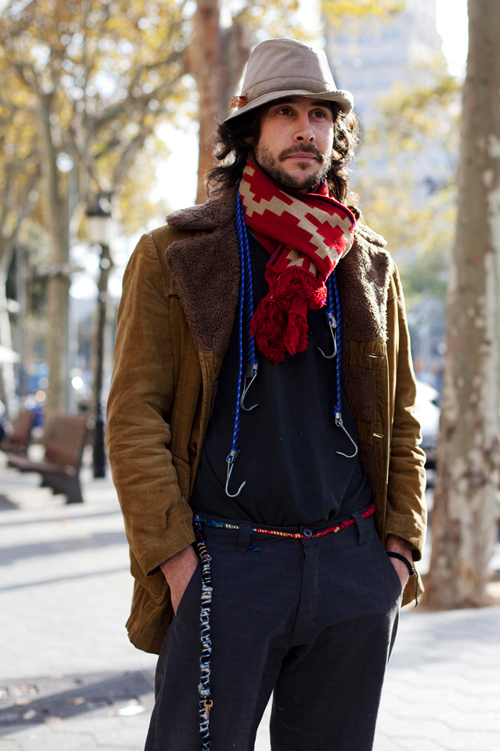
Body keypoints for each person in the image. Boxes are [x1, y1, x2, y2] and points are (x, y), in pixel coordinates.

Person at [107, 38, 426, 751]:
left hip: (351, 568)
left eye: (320, 114)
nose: (306, 129)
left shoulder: (368, 261)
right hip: (227, 567)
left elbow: (402, 416)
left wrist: (397, 553)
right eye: (286, 112)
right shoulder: (174, 254)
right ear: (249, 130)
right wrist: (179, 564)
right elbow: (134, 418)